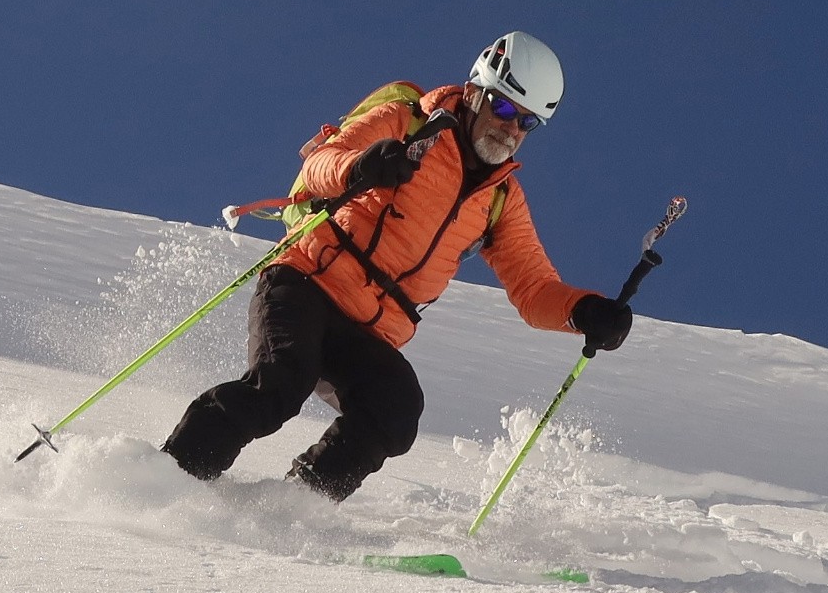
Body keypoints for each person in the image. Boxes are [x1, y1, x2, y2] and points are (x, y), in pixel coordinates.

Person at [161, 31, 632, 501]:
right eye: (504, 107)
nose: (511, 128)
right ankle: (168, 480)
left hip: (370, 329)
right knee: (279, 385)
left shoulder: (501, 200)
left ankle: (293, 507)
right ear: (473, 93)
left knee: (395, 409)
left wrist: (585, 311)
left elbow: (533, 289)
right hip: (307, 278)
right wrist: (360, 166)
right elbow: (318, 166)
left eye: (527, 122)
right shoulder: (408, 123)